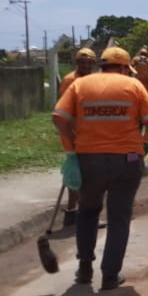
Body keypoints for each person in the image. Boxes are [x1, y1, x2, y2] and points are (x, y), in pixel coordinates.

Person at [52, 46, 148, 290]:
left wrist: (71, 147)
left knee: (87, 212)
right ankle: (110, 275)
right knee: (119, 217)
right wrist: (143, 142)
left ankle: (85, 268)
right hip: (127, 160)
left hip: (89, 159)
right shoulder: (133, 86)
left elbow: (59, 117)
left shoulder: (80, 85)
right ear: (123, 67)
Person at [58, 47, 97, 226]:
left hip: (90, 135)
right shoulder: (70, 81)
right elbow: (66, 112)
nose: (86, 65)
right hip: (75, 135)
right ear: (77, 63)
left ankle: (81, 213)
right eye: (82, 62)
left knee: (88, 176)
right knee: (77, 176)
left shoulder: (92, 80)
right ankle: (74, 212)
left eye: (89, 62)